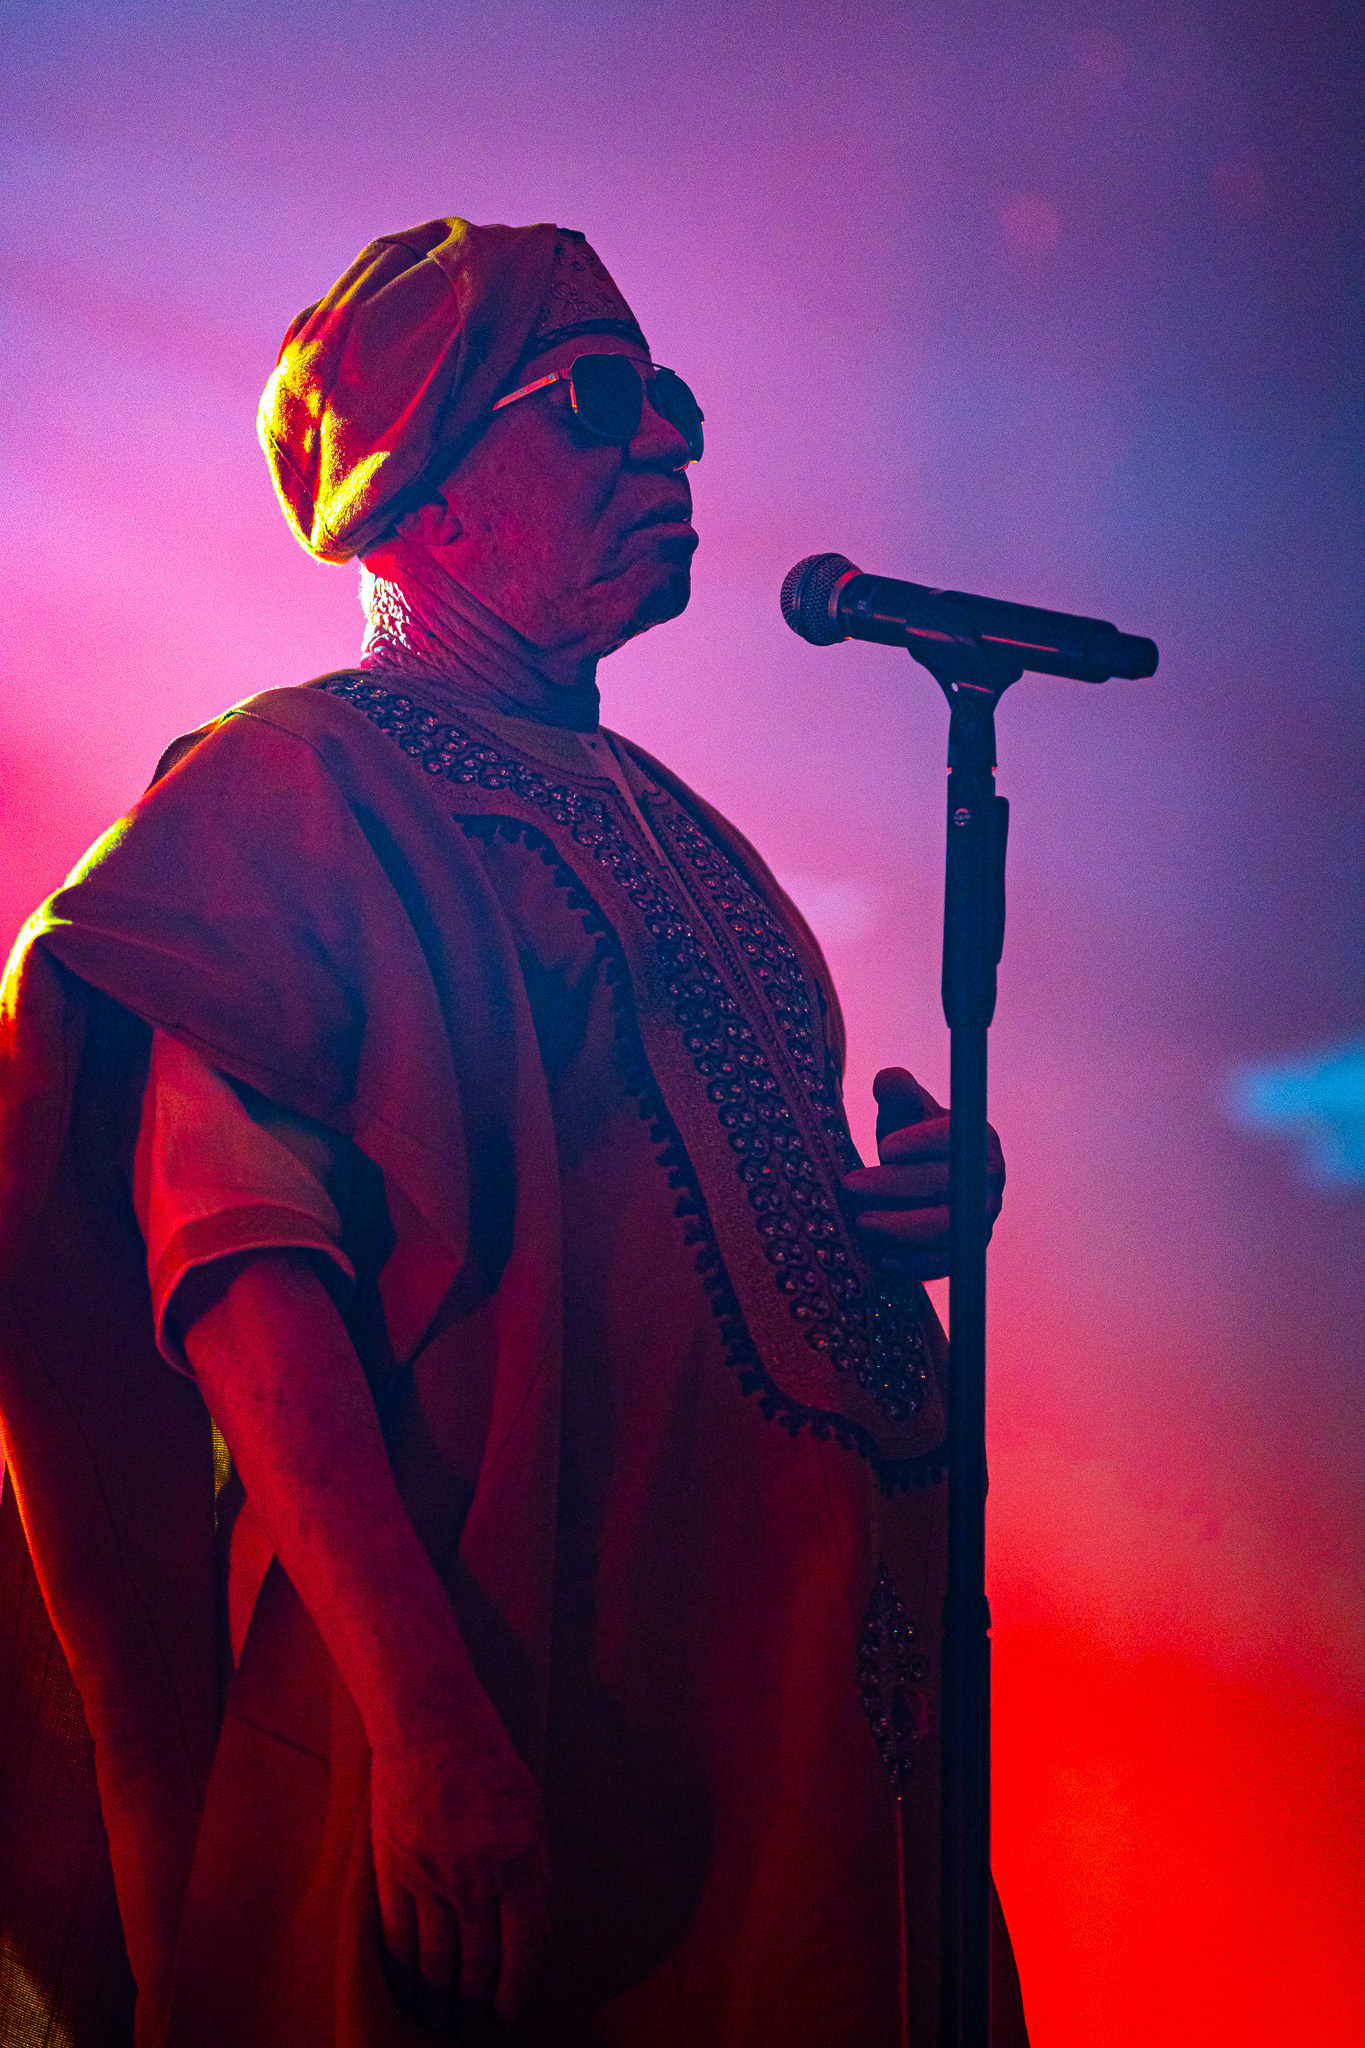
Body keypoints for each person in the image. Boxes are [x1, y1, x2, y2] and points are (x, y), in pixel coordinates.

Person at [0, 218, 1025, 2047]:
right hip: (523, 1742)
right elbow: (239, 1270)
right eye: (601, 400)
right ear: (419, 484)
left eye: (674, 398)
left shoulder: (697, 840)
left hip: (801, 1758)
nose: (673, 441)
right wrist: (427, 1722)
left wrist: (905, 1216)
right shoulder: (284, 788)